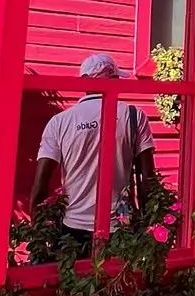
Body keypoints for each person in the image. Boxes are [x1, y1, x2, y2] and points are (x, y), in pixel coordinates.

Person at [31, 53, 158, 260]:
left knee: (78, 288)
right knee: (117, 287)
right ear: (114, 80)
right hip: (119, 227)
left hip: (72, 228)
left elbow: (40, 185)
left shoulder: (60, 122)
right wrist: (150, 225)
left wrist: (38, 234)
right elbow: (148, 180)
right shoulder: (133, 116)